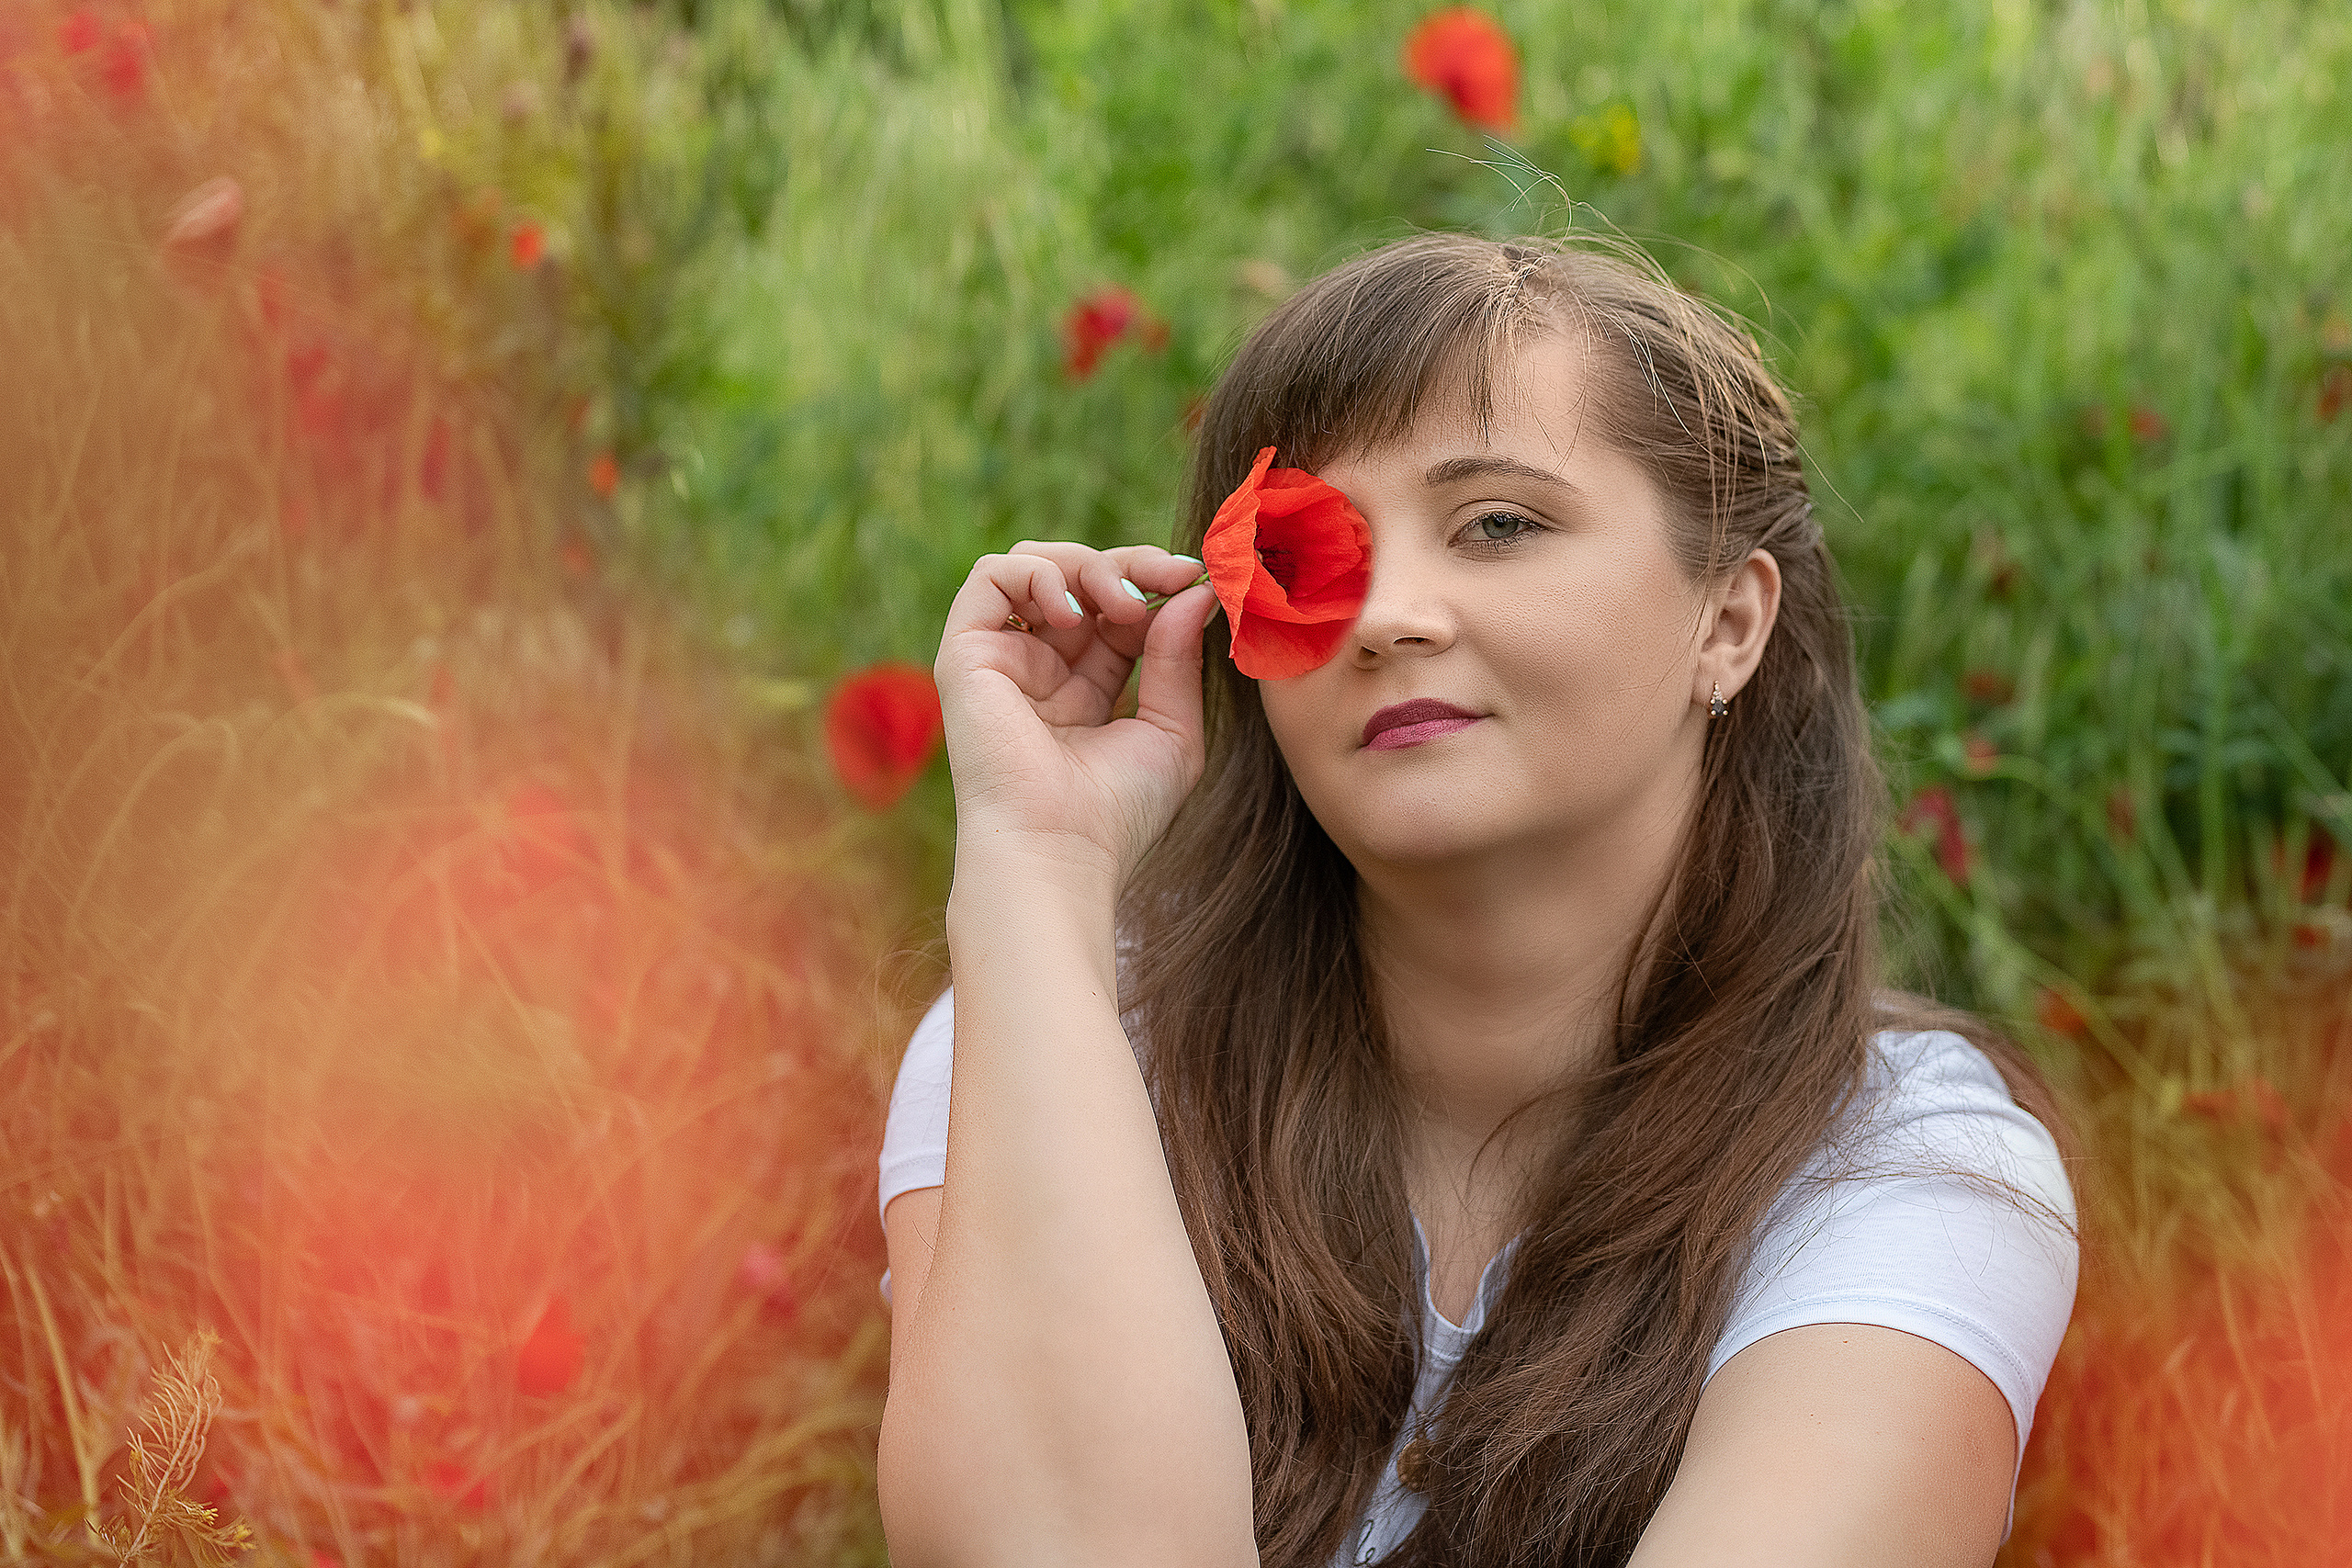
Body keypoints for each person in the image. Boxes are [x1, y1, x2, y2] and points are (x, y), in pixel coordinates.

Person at [873, 232, 2080, 1568]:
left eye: (1499, 523)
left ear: (1729, 622)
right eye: (1306, 551)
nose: (1386, 613)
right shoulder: (1072, 1038)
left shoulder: (1906, 1171)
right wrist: (1035, 866)